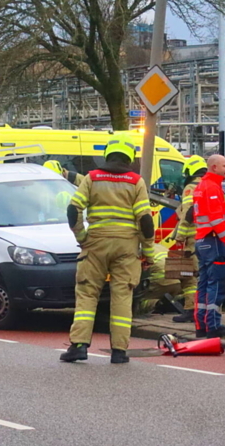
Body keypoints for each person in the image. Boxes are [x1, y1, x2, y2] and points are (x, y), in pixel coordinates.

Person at [60, 132, 154, 364]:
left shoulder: (92, 178)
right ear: (129, 157)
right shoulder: (136, 181)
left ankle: (79, 346)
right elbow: (145, 219)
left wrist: (83, 238)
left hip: (96, 242)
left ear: (107, 155)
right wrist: (148, 252)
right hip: (127, 245)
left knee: (87, 293)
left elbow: (73, 210)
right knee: (122, 295)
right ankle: (119, 352)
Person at [190, 154, 225, 339]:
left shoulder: (202, 186)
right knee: (216, 284)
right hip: (213, 240)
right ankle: (214, 326)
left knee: (203, 284)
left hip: (202, 240)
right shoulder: (212, 187)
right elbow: (217, 218)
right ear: (214, 167)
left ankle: (201, 325)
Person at [169, 155, 207, 323]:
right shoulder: (210, 185)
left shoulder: (190, 188)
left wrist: (180, 236)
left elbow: (188, 214)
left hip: (193, 236)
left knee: (189, 276)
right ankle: (202, 310)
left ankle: (191, 310)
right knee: (205, 275)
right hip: (208, 236)